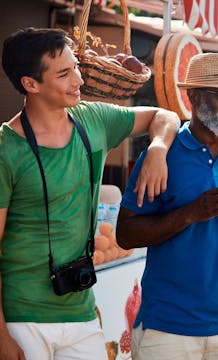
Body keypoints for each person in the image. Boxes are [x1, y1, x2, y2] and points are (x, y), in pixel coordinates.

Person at [0, 27, 180, 359]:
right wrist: (0, 334)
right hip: (21, 316)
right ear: (31, 84)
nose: (79, 80)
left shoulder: (94, 120)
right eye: (65, 73)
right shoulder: (5, 148)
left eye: (77, 68)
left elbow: (164, 116)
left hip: (80, 310)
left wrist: (157, 148)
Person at [116, 52, 218, 360]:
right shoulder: (161, 155)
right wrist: (190, 213)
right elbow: (126, 234)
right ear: (194, 96)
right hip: (167, 329)